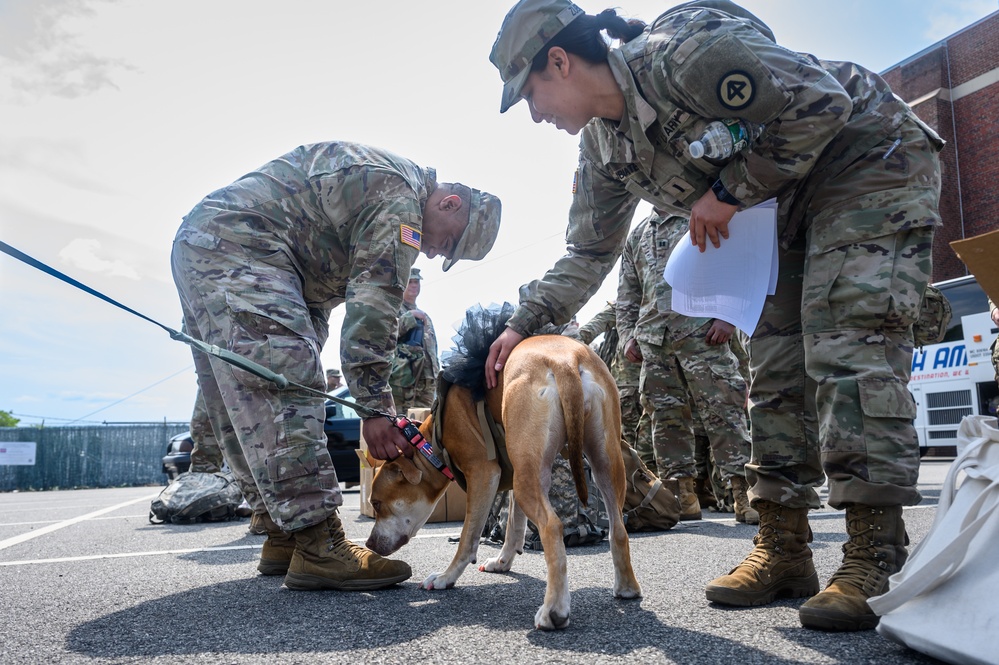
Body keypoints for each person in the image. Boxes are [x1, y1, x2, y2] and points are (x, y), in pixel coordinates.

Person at [489, 0, 943, 631]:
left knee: (847, 343)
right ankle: (784, 547)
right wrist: (521, 325)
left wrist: (727, 191)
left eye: (531, 93)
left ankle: (871, 551)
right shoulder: (604, 148)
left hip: (864, 162)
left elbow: (825, 101)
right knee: (776, 365)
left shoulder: (683, 54)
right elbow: (589, 251)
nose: (535, 114)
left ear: (560, 62)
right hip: (778, 207)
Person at [172, 141, 501, 591]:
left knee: (247, 394)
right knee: (286, 388)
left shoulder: (387, 185)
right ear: (449, 202)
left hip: (216, 245)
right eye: (446, 241)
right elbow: (374, 308)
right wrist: (374, 409)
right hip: (242, 248)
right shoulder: (401, 201)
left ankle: (284, 534)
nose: (432, 253)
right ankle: (318, 545)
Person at [617, 210, 756, 524]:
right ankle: (683, 496)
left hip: (703, 333)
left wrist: (730, 316)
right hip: (654, 340)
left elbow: (738, 264)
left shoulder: (701, 215)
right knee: (666, 422)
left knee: (724, 412)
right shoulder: (638, 234)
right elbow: (628, 292)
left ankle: (743, 494)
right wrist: (627, 336)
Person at [571, 301, 649, 456]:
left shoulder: (624, 304)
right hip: (638, 391)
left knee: (637, 456)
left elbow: (589, 330)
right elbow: (589, 330)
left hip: (631, 391)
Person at [390, 267, 440, 415]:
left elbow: (432, 352)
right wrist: (408, 318)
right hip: (404, 386)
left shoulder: (426, 317)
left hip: (427, 386)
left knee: (425, 428)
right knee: (403, 427)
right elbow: (384, 334)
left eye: (416, 282)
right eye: (409, 282)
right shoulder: (393, 310)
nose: (414, 285)